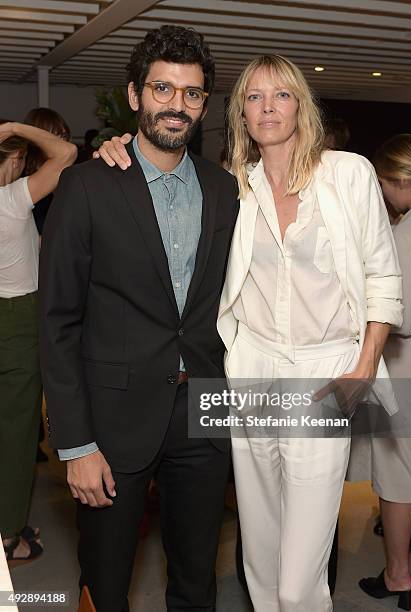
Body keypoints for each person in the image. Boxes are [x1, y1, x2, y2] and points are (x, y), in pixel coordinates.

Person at [39, 25, 238, 612]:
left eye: (192, 93)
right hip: (111, 414)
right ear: (134, 96)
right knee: (105, 577)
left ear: (204, 103)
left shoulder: (224, 190)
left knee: (198, 575)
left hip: (203, 406)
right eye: (162, 89)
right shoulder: (87, 185)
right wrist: (74, 444)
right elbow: (57, 321)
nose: (176, 105)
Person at [216, 55, 402, 612]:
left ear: (302, 105)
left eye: (281, 95)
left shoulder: (347, 173)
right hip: (252, 367)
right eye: (254, 97)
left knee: (300, 580)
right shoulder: (235, 185)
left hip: (324, 372)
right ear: (241, 113)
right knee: (260, 554)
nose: (268, 107)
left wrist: (365, 365)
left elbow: (382, 274)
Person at [359, 134, 411, 609]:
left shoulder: (408, 235)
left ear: (398, 182)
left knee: (398, 480)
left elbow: (401, 319)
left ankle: (398, 576)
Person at [0, 120, 76, 565]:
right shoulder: (10, 201)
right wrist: (13, 126)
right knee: (16, 433)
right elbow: (65, 154)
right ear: (11, 160)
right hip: (19, 320)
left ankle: (8, 519)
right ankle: (8, 535)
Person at [24, 107, 71, 235]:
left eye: (65, 136)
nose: (64, 142)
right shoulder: (25, 183)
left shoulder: (69, 176)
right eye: (57, 136)